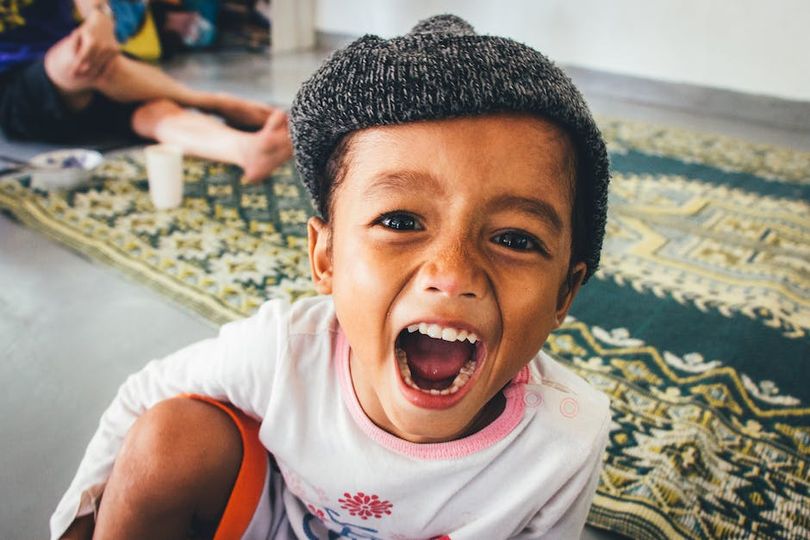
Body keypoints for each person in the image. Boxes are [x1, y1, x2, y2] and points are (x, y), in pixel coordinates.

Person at [51, 14, 612, 539]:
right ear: (326, 258)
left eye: (515, 239)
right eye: (399, 220)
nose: (452, 273)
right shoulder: (283, 352)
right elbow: (142, 396)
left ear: (565, 293)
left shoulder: (565, 439)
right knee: (166, 436)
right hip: (270, 521)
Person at [0, 0, 291, 183]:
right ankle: (213, 102)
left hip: (98, 66)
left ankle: (246, 150)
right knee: (80, 58)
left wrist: (99, 18)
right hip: (15, 85)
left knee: (155, 113)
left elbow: (94, 11)